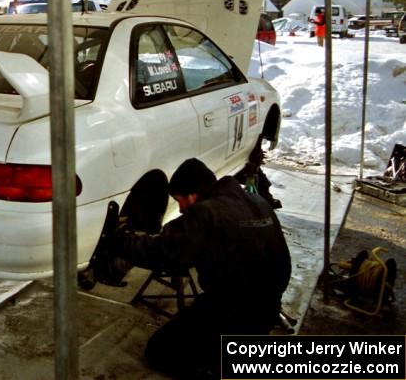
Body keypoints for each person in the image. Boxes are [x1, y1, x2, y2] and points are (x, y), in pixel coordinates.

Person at [111, 158, 291, 379]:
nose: (180, 208)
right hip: (268, 309)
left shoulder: (205, 212)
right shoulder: (255, 200)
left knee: (159, 351)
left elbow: (164, 253)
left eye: (179, 200)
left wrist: (119, 241)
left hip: (233, 312)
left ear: (192, 194)